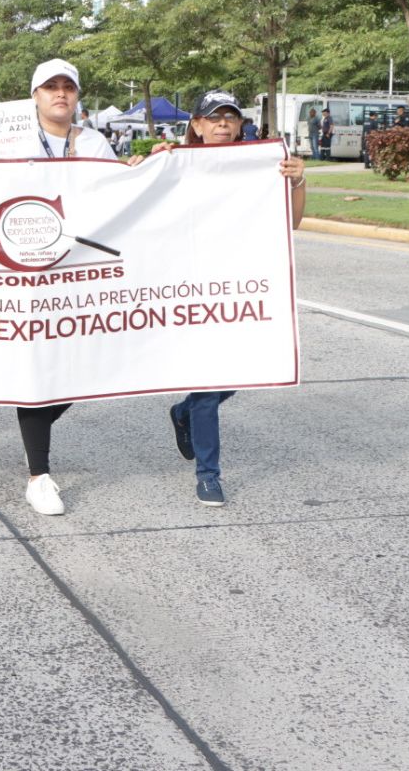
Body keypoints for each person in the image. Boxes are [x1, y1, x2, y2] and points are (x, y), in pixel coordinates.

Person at [151, 90, 306, 507]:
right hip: (190, 289)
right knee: (207, 385)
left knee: (247, 370)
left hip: (239, 289)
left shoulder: (259, 166)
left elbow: (291, 221)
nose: (222, 123)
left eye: (230, 117)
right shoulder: (174, 163)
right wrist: (149, 165)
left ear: (239, 125)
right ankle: (208, 474)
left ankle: (183, 413)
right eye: (213, 117)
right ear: (197, 125)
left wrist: (298, 180)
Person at [12, 59, 131, 515]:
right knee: (37, 367)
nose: (60, 93)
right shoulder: (14, 142)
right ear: (35, 96)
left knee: (84, 366)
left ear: (78, 95)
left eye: (68, 86)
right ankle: (38, 475)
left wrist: (137, 172)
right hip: (30, 267)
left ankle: (35, 431)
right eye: (50, 87)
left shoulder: (95, 142)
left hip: (81, 269)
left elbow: (117, 197)